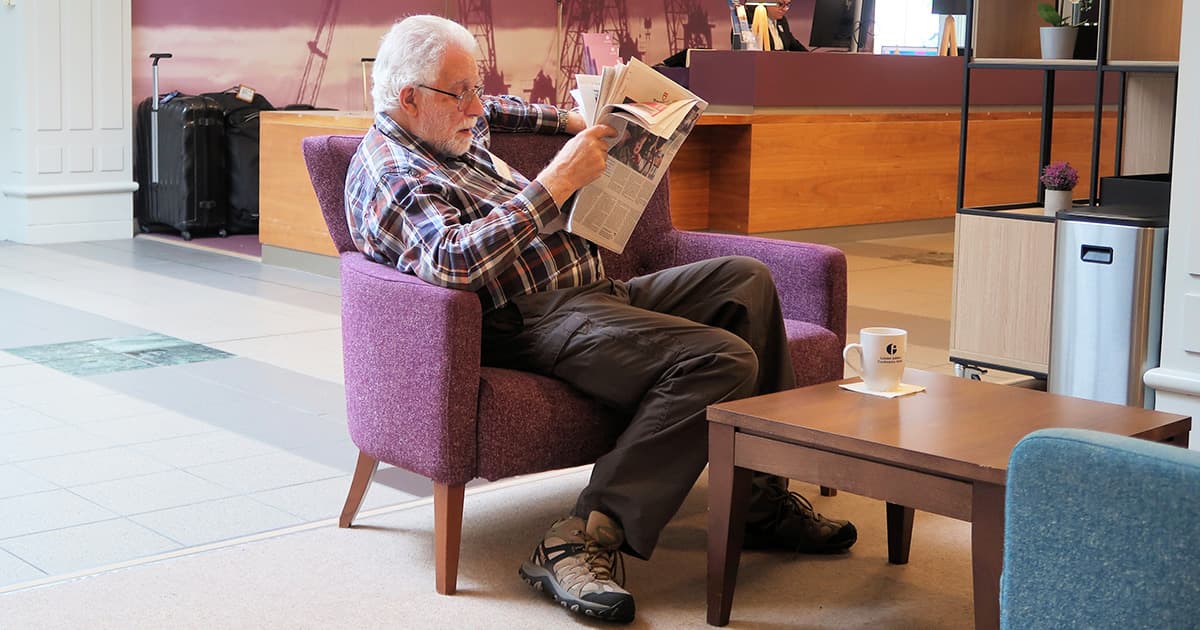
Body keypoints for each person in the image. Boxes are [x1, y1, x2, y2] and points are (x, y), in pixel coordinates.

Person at [345, 15, 855, 624]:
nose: (478, 107)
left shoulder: (447, 120)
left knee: (745, 281)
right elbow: (452, 261)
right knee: (720, 360)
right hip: (529, 318)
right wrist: (553, 184)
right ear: (409, 98)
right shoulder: (392, 172)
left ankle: (758, 502)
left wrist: (577, 119)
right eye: (465, 92)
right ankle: (580, 535)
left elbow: (502, 110)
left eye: (476, 88)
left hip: (596, 292)